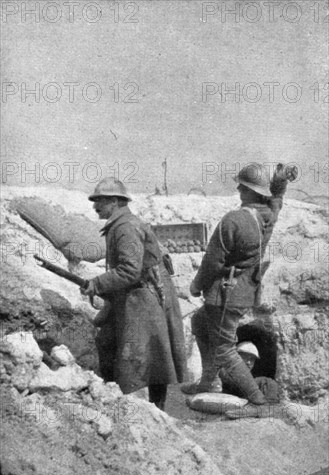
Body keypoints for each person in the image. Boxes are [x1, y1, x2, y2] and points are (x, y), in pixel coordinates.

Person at [181, 162, 297, 406]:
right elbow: (277, 197)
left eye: (243, 187)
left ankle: (257, 398)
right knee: (200, 322)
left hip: (226, 293)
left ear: (251, 191)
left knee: (224, 349)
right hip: (246, 291)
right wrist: (281, 180)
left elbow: (212, 261)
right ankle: (208, 382)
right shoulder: (269, 216)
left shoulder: (232, 221)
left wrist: (195, 286)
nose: (238, 189)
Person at [81, 177, 187, 410]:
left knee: (149, 352)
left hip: (146, 296)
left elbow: (129, 271)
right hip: (141, 293)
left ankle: (147, 410)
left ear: (115, 201)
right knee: (149, 350)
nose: (95, 206)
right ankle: (142, 405)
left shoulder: (126, 227)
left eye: (100, 201)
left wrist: (97, 284)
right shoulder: (120, 224)